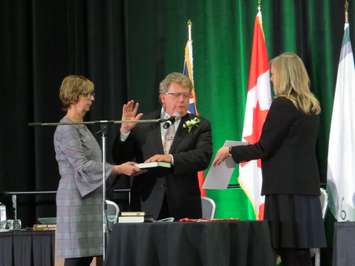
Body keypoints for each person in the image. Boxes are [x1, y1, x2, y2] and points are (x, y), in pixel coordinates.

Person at [213, 53, 326, 266]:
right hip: (305, 190)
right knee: (301, 252)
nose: (272, 79)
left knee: (289, 251)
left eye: (273, 74)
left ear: (284, 75)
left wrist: (230, 151)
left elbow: (264, 147)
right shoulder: (311, 107)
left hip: (285, 191)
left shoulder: (283, 105)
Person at [54, 75, 141, 266]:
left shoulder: (82, 127)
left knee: (86, 256)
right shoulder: (66, 128)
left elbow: (93, 163)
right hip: (76, 199)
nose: (93, 99)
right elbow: (82, 165)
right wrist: (118, 169)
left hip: (89, 197)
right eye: (89, 94)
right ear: (75, 95)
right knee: (77, 257)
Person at [112, 72, 212, 220]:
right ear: (163, 97)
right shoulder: (143, 124)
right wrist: (125, 131)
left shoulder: (200, 125)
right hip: (146, 201)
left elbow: (202, 158)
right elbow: (120, 157)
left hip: (183, 204)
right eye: (176, 95)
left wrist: (170, 158)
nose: (182, 100)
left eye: (186, 95)